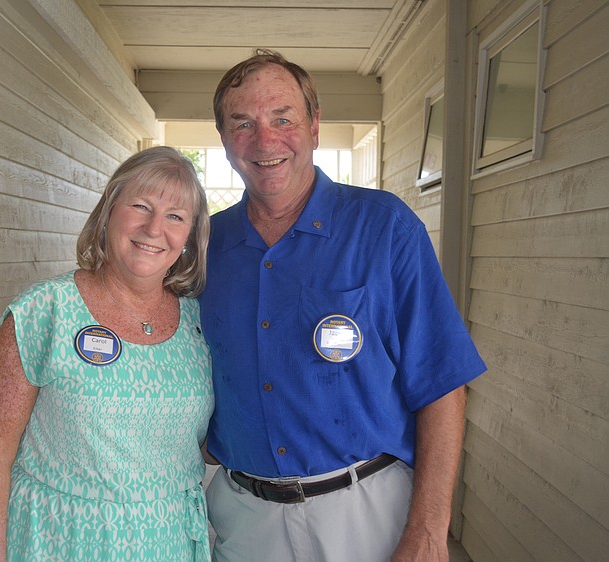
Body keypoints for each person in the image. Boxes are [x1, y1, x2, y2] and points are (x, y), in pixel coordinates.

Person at [199, 49, 487, 562]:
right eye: (242, 123)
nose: (265, 140)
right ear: (223, 139)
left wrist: (428, 529)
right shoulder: (203, 247)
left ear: (314, 125)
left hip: (367, 513)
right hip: (245, 517)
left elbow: (442, 381)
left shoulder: (385, 227)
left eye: (283, 119)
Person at [0, 146, 214, 561]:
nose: (154, 228)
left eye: (175, 216)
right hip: (61, 541)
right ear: (109, 211)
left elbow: (201, 441)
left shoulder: (199, 323)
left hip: (168, 542)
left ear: (190, 235)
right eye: (141, 206)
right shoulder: (45, 312)